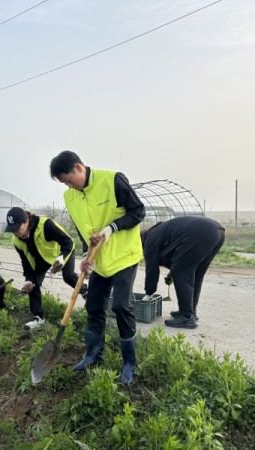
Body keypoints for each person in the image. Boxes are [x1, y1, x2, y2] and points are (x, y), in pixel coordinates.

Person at [50, 150, 145, 385]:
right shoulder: (70, 197)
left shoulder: (112, 180)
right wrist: (85, 255)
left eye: (70, 180)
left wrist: (112, 227)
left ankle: (129, 363)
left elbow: (138, 212)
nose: (69, 186)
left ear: (79, 168)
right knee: (93, 305)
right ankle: (93, 355)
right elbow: (85, 231)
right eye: (65, 183)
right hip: (99, 261)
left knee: (122, 306)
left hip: (123, 257)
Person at [4, 207, 87, 330]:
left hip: (62, 251)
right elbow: (26, 262)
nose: (15, 232)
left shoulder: (45, 225)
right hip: (43, 258)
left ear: (26, 221)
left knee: (68, 276)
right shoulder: (17, 241)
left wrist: (62, 257)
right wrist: (28, 279)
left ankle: (86, 291)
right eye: (12, 230)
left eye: (17, 228)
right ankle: (38, 317)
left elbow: (68, 242)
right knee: (32, 284)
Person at [141, 216, 226, 329]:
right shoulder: (159, 231)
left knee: (181, 272)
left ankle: (186, 317)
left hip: (200, 231)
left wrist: (149, 293)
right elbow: (177, 256)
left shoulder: (149, 240)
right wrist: (172, 273)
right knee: (196, 273)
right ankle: (191, 311)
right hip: (216, 231)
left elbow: (151, 269)